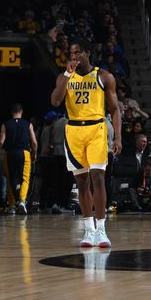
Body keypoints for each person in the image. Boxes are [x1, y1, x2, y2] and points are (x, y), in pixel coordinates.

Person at [50, 39, 122, 248]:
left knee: (98, 177)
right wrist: (66, 74)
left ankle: (101, 229)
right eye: (71, 54)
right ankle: (88, 230)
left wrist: (117, 137)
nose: (73, 57)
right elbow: (55, 101)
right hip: (73, 131)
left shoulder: (103, 76)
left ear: (87, 53)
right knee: (81, 182)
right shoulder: (65, 77)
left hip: (97, 129)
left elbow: (115, 109)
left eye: (77, 53)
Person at [0, 103, 38, 214]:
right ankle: (22, 201)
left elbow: (0, 141)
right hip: (24, 153)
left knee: (10, 179)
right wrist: (35, 154)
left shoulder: (5, 124)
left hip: (9, 153)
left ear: (12, 112)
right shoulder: (28, 124)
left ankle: (12, 205)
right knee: (25, 178)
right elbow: (34, 142)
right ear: (21, 112)